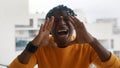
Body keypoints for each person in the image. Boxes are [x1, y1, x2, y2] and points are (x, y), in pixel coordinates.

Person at [9, 5, 120, 68]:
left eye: (67, 19)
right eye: (56, 21)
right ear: (49, 29)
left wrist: (92, 41)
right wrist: (34, 44)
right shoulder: (39, 47)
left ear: (74, 25)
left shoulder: (85, 46)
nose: (62, 23)